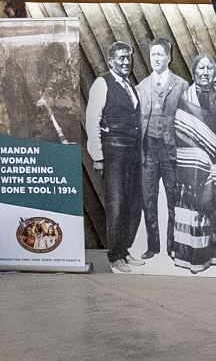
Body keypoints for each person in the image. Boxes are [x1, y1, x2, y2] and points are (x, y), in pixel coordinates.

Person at [167, 55, 216, 273]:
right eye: (201, 67)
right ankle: (195, 257)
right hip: (195, 167)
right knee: (196, 207)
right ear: (194, 72)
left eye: (210, 67)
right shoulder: (185, 98)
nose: (206, 72)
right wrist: (203, 157)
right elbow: (180, 132)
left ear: (215, 73)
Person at [85, 41, 145, 273]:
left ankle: (124, 250)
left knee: (132, 203)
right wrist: (98, 156)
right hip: (113, 155)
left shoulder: (130, 85)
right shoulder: (102, 83)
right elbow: (93, 120)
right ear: (110, 61)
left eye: (128, 58)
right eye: (120, 58)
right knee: (117, 204)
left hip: (132, 154)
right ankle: (114, 256)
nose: (125, 62)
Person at [136, 38, 189, 261]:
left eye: (160, 55)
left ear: (169, 57)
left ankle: (173, 246)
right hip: (148, 151)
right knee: (148, 200)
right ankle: (153, 246)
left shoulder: (181, 85)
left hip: (171, 152)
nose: (156, 59)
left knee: (174, 200)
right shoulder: (141, 86)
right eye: (153, 55)